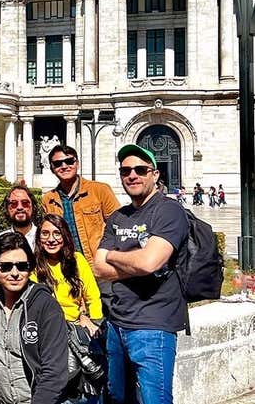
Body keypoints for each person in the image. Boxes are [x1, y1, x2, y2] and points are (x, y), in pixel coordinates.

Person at [94, 144, 189, 404]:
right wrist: (136, 261)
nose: (132, 175)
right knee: (116, 398)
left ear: (155, 174)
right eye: (126, 171)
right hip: (116, 322)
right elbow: (99, 267)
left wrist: (114, 256)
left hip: (154, 325)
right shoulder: (117, 217)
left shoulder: (168, 210)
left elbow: (149, 262)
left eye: (140, 170)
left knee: (153, 400)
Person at [0, 232, 69, 404]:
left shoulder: (46, 306)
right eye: (5, 266)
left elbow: (54, 373)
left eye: (22, 266)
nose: (15, 273)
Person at [32, 214, 104, 403]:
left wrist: (94, 323)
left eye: (57, 233)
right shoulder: (33, 265)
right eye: (45, 233)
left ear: (64, 236)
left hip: (75, 333)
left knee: (82, 388)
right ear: (39, 238)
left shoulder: (77, 260)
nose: (51, 239)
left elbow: (92, 296)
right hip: (47, 335)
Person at [42, 145, 120, 265]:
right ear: (52, 168)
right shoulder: (48, 199)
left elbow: (118, 227)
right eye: (58, 163)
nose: (64, 166)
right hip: (66, 266)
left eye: (69, 161)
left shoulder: (100, 190)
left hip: (99, 265)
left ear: (77, 163)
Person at [0, 185, 40, 293]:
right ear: (7, 209)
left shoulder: (43, 238)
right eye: (13, 204)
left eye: (25, 203)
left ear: (33, 206)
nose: (19, 207)